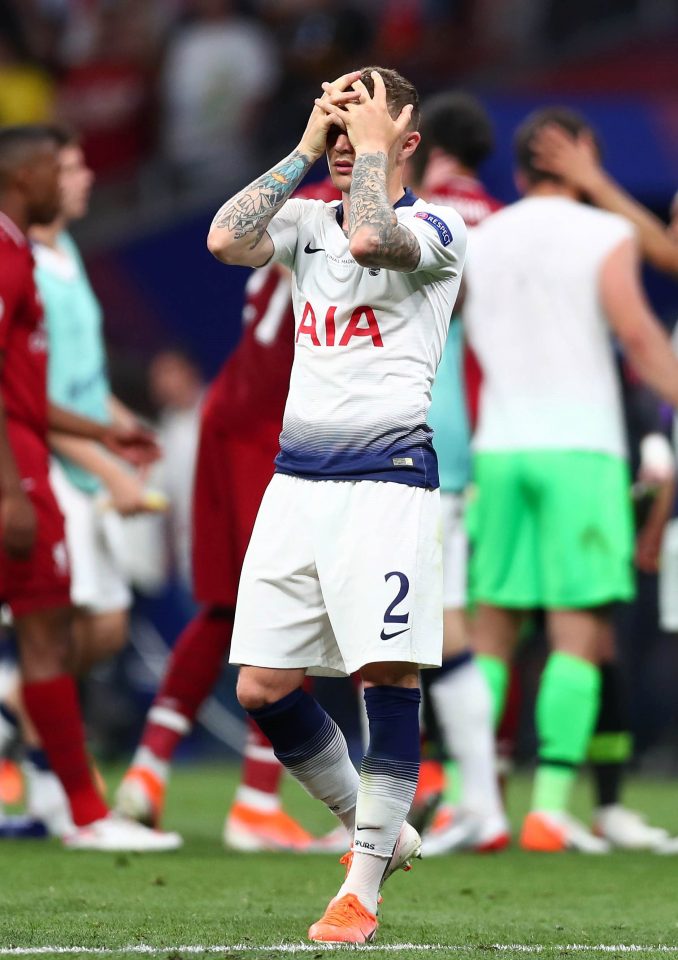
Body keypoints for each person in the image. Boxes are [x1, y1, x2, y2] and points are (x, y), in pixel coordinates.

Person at [207, 66, 466, 943]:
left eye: (366, 118)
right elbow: (222, 239)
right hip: (297, 484)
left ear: (409, 139)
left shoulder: (438, 228)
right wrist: (305, 147)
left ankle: (359, 891)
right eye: (339, 118)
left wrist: (369, 152)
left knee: (384, 680)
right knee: (263, 686)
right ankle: (378, 828)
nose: (348, 133)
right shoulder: (307, 217)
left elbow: (370, 239)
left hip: (387, 484)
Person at [463, 107, 678, 854]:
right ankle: (549, 808)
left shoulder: (482, 239)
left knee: (491, 633)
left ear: (519, 172)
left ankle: (473, 801)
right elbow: (639, 334)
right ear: (581, 156)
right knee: (577, 635)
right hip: (580, 450)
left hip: (500, 450)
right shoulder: (604, 234)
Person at [116, 180, 342, 853]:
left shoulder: (298, 199)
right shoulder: (357, 207)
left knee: (223, 608)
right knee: (293, 599)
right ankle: (255, 799)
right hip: (272, 421)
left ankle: (149, 769)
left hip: (229, 406)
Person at [0, 124, 179, 852]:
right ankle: (79, 811)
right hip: (28, 471)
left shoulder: (39, 250)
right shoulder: (12, 257)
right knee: (53, 635)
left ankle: (70, 805)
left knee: (60, 634)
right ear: (33, 173)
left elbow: (30, 383)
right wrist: (13, 489)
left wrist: (107, 430)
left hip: (42, 462)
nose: (83, 180)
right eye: (67, 167)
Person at [406, 91, 508, 854]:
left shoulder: (416, 217)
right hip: (489, 437)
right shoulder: (504, 222)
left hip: (419, 435)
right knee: (447, 620)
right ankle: (468, 795)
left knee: (430, 624)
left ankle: (474, 803)